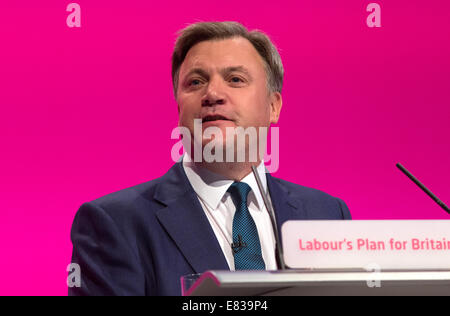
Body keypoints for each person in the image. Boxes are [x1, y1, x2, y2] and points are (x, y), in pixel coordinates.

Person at [69, 21, 351, 296]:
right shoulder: (115, 223)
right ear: (178, 103)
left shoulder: (326, 215)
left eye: (235, 79)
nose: (213, 94)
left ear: (273, 106)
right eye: (195, 82)